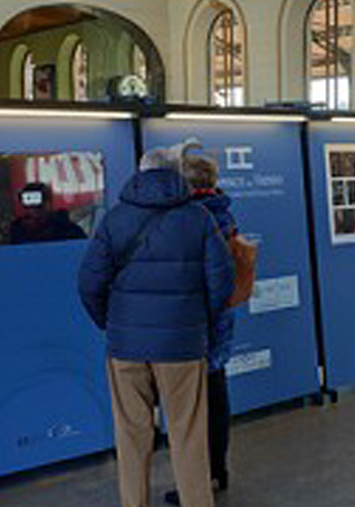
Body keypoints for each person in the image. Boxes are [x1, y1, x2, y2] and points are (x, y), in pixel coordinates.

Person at [78, 147, 235, 507]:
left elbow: (88, 283)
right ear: (175, 174)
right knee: (188, 434)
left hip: (126, 348)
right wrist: (197, 320)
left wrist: (111, 323)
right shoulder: (198, 219)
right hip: (182, 347)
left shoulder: (114, 219)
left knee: (131, 435)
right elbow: (221, 282)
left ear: (140, 173)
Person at [164, 154, 236, 506]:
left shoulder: (189, 218)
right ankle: (219, 468)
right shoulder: (224, 210)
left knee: (192, 408)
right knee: (217, 390)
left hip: (195, 317)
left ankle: (198, 480)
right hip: (222, 314)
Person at [10, 182, 87, 244]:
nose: (34, 208)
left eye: (38, 199)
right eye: (29, 200)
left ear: (49, 202)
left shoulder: (68, 229)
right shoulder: (18, 231)